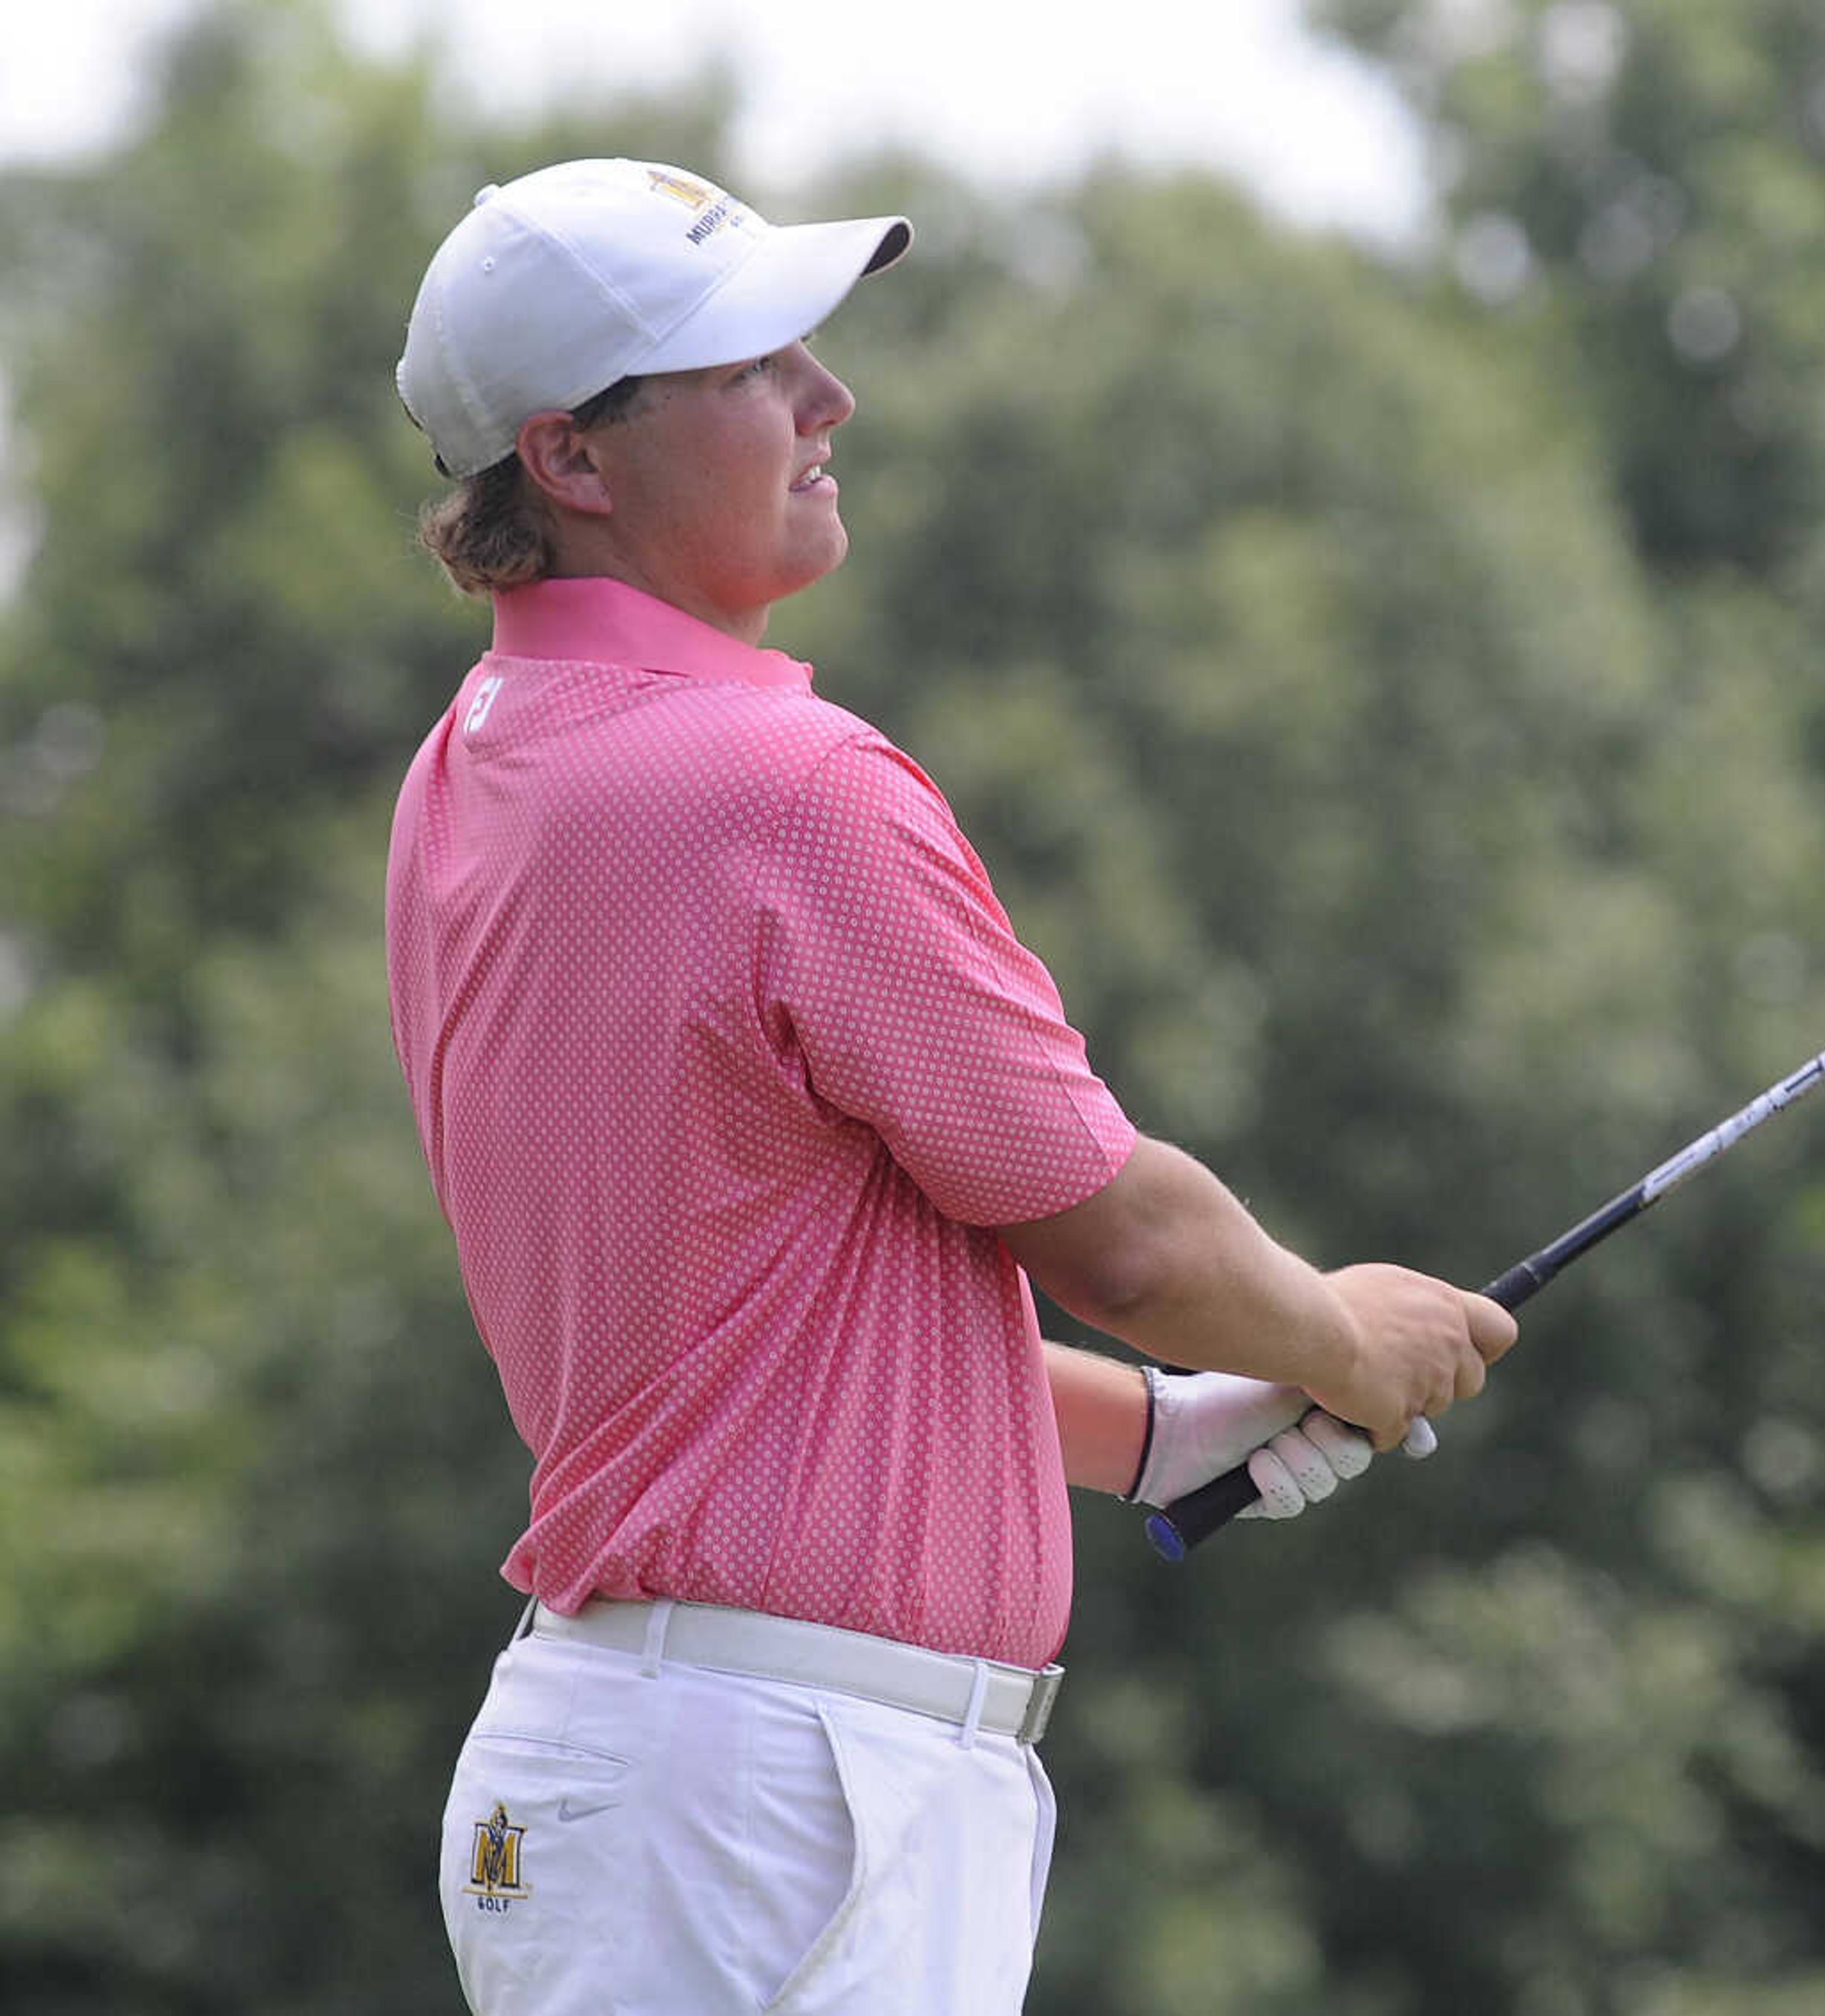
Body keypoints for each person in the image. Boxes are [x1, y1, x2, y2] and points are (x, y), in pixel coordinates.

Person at [383, 157, 1516, 2016]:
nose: (831, 399)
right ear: (571, 459)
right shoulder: (785, 787)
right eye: (752, 364)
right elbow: (1127, 1240)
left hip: (684, 1770)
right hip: (767, 1792)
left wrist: (1149, 1432)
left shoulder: (472, 769)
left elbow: (729, 1318)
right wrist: (1340, 1341)